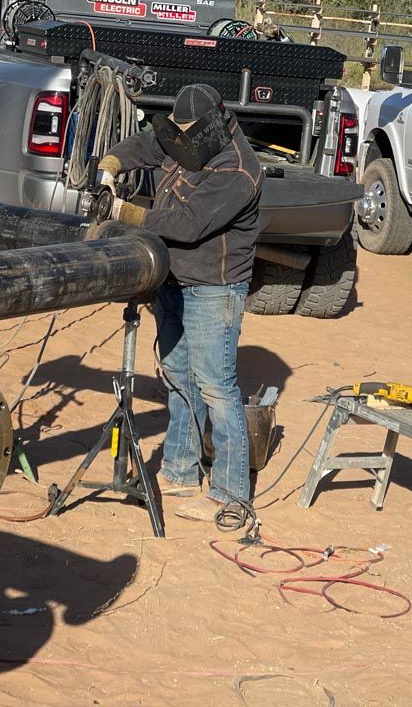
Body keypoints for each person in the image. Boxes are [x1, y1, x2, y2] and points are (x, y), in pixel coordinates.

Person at [98, 84, 262, 523]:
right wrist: (112, 164)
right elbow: (150, 144)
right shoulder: (190, 136)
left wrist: (124, 213)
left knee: (215, 385)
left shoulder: (238, 171)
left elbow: (186, 225)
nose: (180, 144)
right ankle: (180, 471)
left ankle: (230, 494)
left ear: (214, 124)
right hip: (175, 279)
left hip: (213, 288)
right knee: (177, 377)